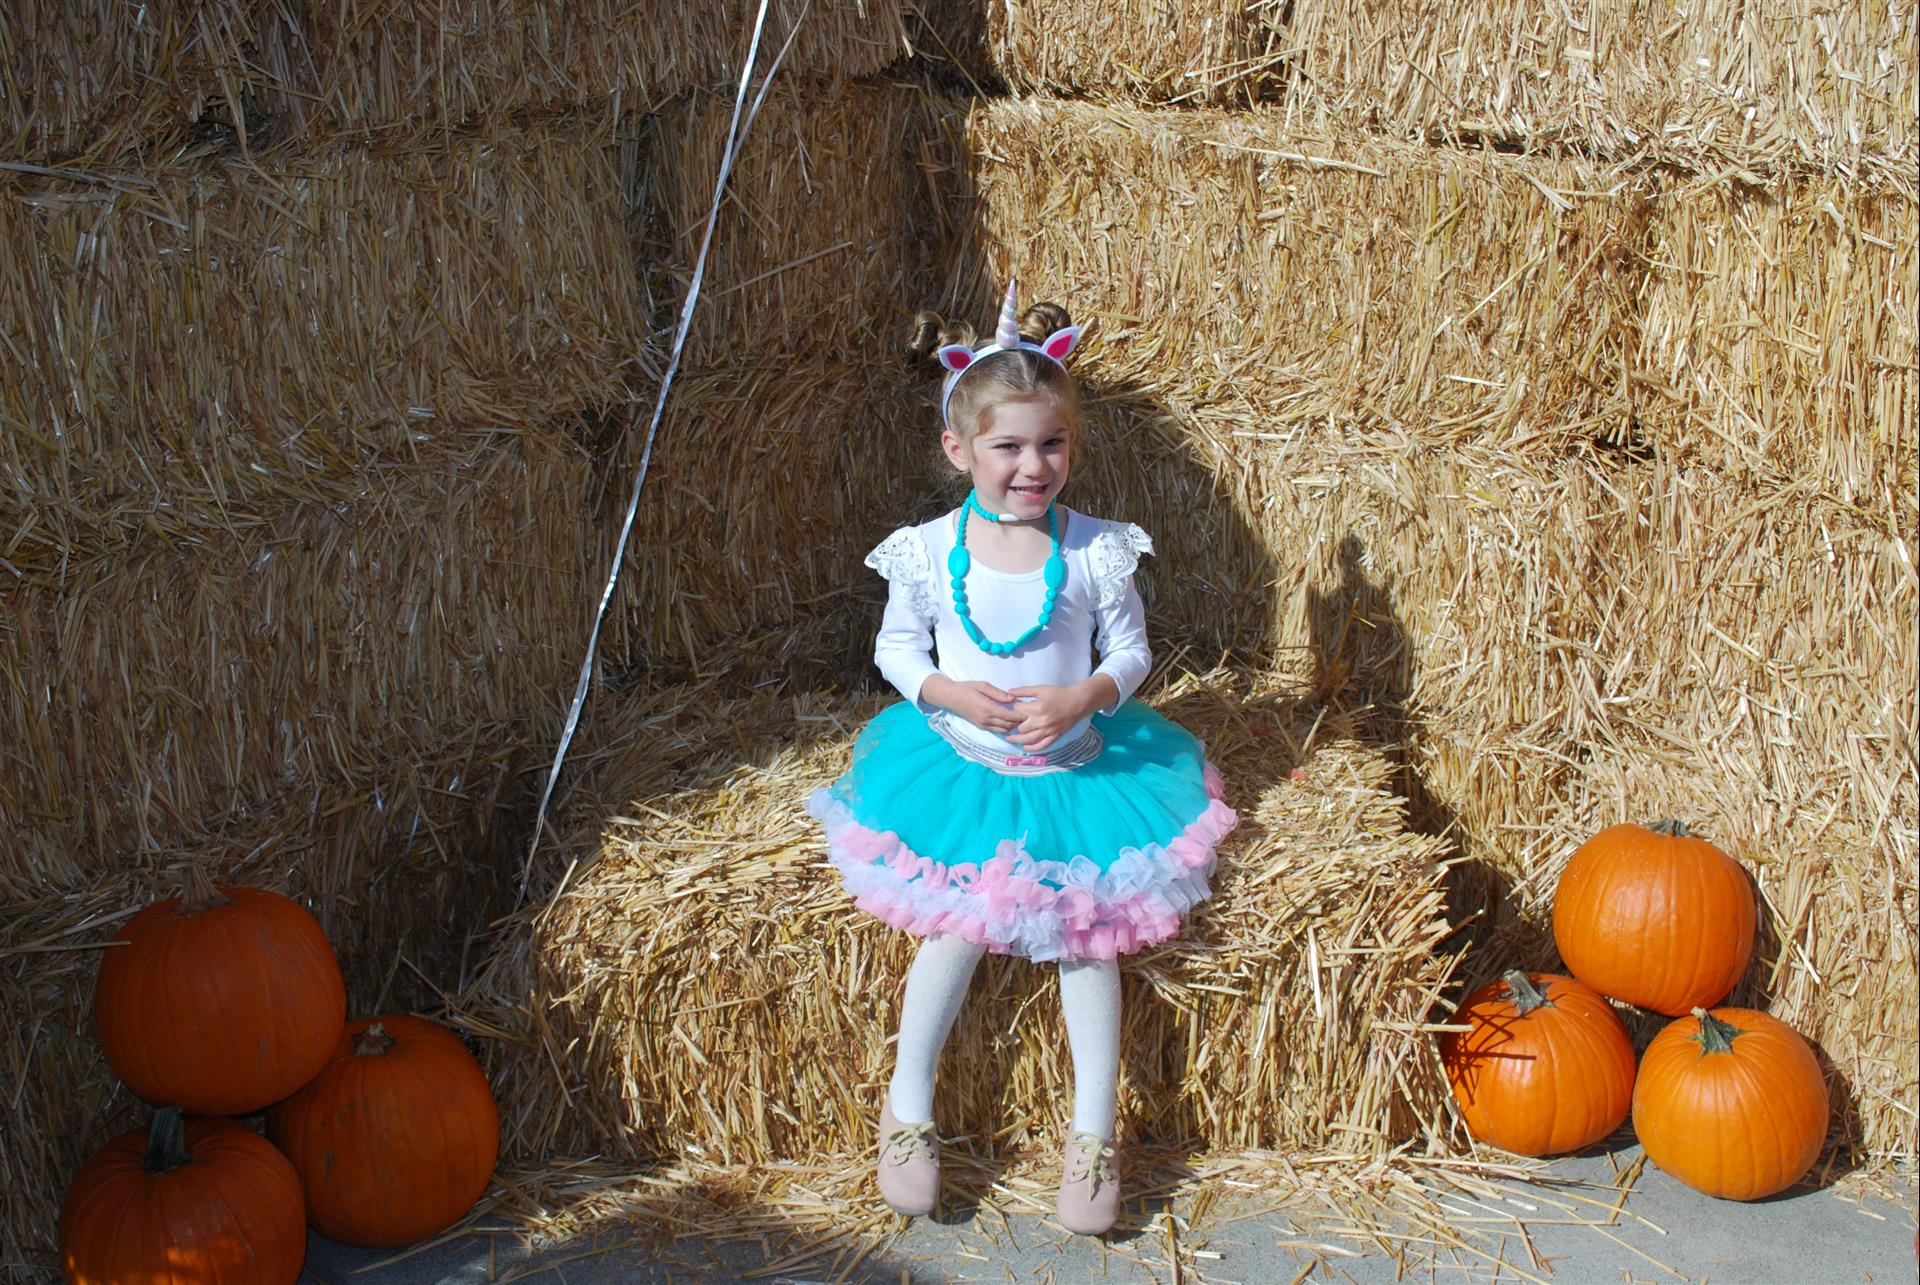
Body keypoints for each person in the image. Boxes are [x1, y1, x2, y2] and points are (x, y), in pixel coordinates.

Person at [806, 282, 1237, 1236]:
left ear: (1071, 448)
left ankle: (1094, 1133)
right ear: (959, 450)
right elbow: (895, 649)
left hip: (1080, 766)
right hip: (959, 765)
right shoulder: (927, 549)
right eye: (1007, 446)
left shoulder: (1095, 551)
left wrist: (1085, 695)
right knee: (956, 925)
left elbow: (1129, 653)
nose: (1031, 465)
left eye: (1051, 444)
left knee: (1090, 937)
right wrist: (949, 692)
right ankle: (908, 1106)